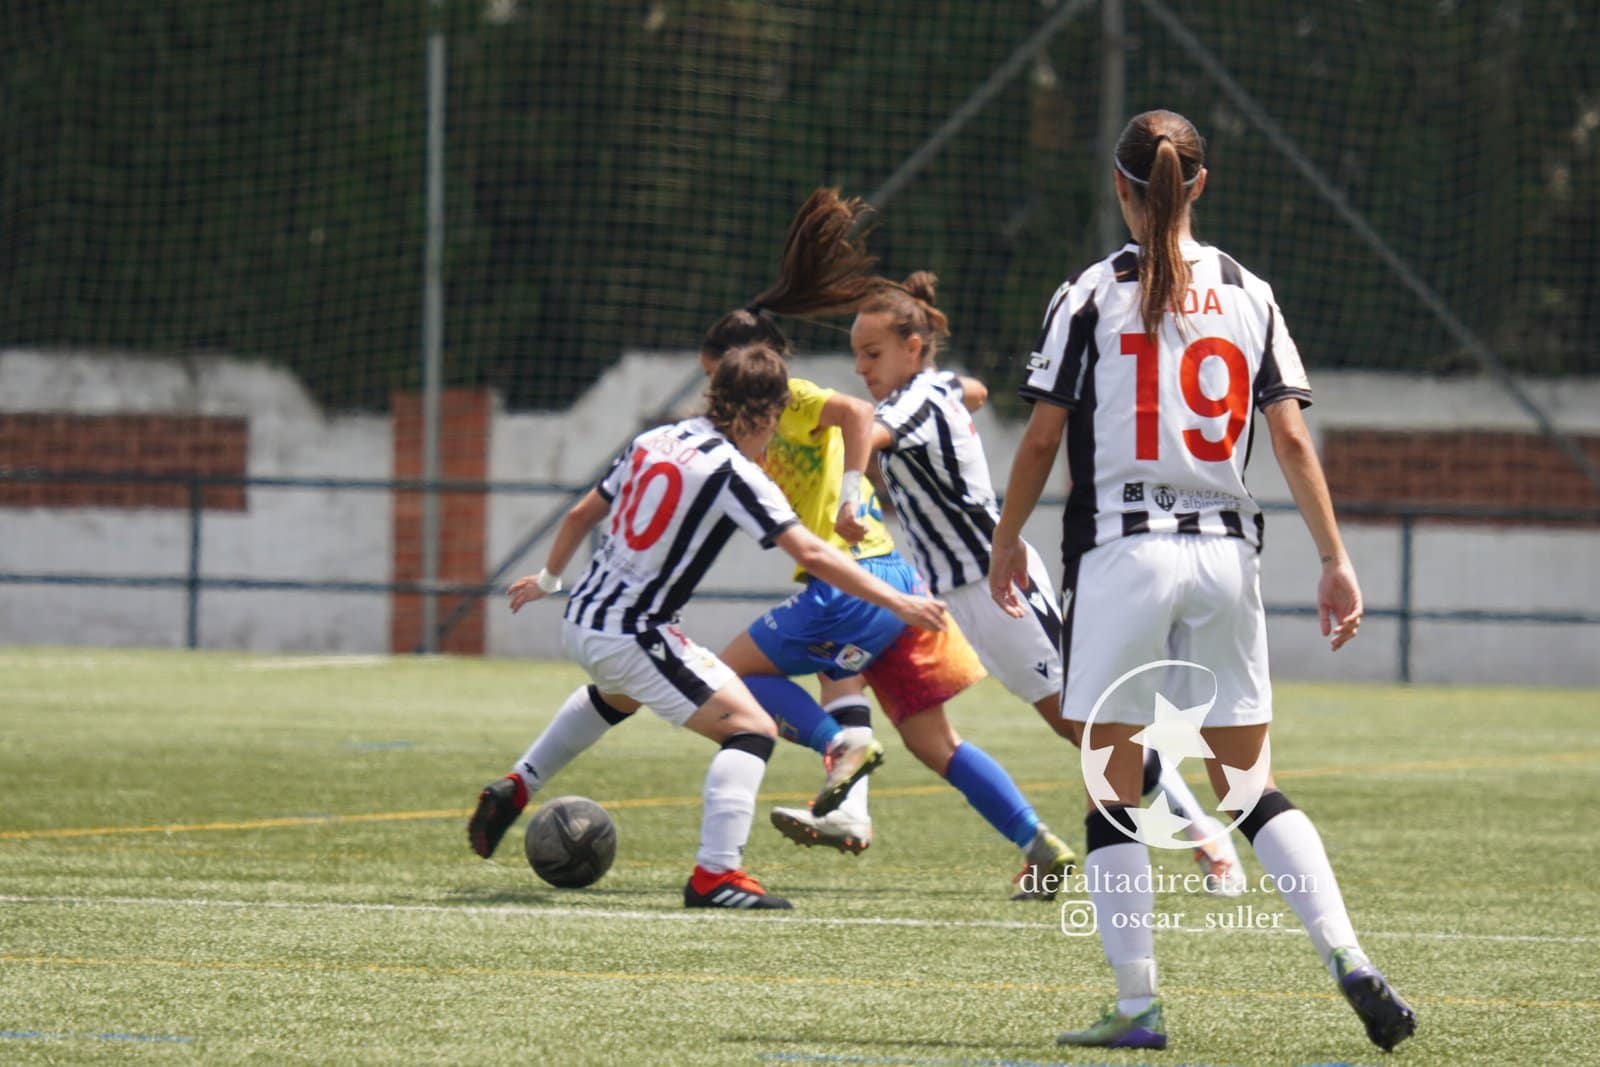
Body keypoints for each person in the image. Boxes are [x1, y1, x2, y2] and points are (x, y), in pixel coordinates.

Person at [988, 109, 1415, 1051]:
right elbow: (1292, 438)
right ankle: (1350, 957)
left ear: (1119, 187)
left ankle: (1138, 1005)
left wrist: (1007, 537)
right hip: (1229, 557)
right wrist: (1337, 559)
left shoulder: (1090, 294)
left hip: (1121, 556)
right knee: (1248, 785)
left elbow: (1046, 434)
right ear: (1201, 184)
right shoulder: (1250, 292)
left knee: (1112, 791)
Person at [466, 344, 947, 910]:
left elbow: (580, 514)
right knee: (751, 729)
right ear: (766, 414)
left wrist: (548, 579)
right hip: (634, 632)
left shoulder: (656, 439)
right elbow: (813, 555)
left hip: (585, 618)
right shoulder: (733, 471)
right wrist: (901, 601)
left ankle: (520, 782)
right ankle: (715, 876)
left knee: (618, 696)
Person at [700, 192, 1073, 896]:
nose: (711, 395)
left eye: (713, 379)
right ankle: (1036, 840)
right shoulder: (758, 424)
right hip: (893, 582)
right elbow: (962, 390)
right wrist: (954, 392)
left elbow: (858, 413)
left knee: (726, 676)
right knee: (933, 742)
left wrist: (846, 491)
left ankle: (838, 749)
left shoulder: (793, 400)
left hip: (855, 577)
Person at [850, 270, 1239, 898]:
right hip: (970, 591)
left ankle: (1205, 837)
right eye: (857, 356)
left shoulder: (912, 403)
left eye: (872, 354)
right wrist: (958, 403)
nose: (863, 368)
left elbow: (869, 431)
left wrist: (835, 452)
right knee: (1078, 722)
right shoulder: (937, 388)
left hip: (995, 582)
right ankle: (1184, 834)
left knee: (1086, 721)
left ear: (913, 348)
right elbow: (971, 389)